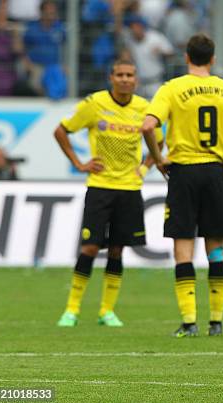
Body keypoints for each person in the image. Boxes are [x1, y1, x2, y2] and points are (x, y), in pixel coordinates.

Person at [141, 34, 223, 338]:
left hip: (183, 172)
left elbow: (147, 126)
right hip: (214, 173)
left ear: (186, 57)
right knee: (216, 250)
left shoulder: (172, 88)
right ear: (212, 59)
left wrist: (158, 158)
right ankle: (217, 321)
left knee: (183, 249)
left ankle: (188, 322)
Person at [55, 59, 163, 327]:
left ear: (136, 80)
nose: (125, 79)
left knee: (117, 250)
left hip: (129, 189)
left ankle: (106, 311)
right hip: (100, 187)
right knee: (90, 247)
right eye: (120, 75)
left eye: (130, 75)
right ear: (111, 77)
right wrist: (79, 163)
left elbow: (159, 140)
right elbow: (61, 131)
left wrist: (145, 167)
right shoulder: (95, 104)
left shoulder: (144, 108)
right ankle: (72, 309)